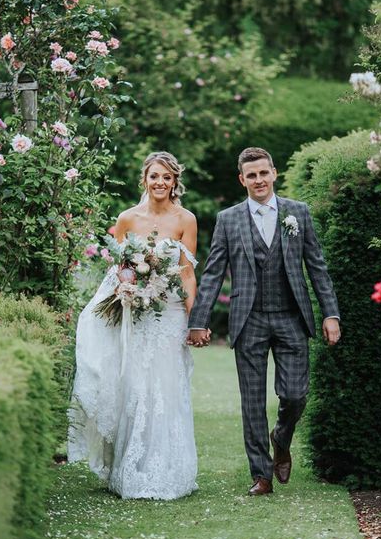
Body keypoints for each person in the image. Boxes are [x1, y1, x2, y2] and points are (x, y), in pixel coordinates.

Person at [188, 147, 340, 496]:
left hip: (291, 316)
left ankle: (281, 437)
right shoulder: (228, 219)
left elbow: (317, 267)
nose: (258, 180)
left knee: (296, 395)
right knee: (252, 400)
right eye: (251, 175)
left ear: (274, 173)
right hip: (249, 320)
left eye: (263, 173)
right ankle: (261, 475)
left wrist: (330, 314)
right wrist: (199, 320)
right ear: (242, 179)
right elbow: (212, 274)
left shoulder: (297, 213)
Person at [68, 152, 199, 500]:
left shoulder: (186, 219)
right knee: (136, 385)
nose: (160, 183)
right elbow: (119, 270)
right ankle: (129, 468)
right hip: (136, 314)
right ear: (145, 179)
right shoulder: (126, 219)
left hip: (168, 315)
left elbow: (186, 273)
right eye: (155, 176)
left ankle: (170, 470)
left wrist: (194, 319)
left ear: (174, 182)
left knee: (167, 386)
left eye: (167, 178)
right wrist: (127, 289)